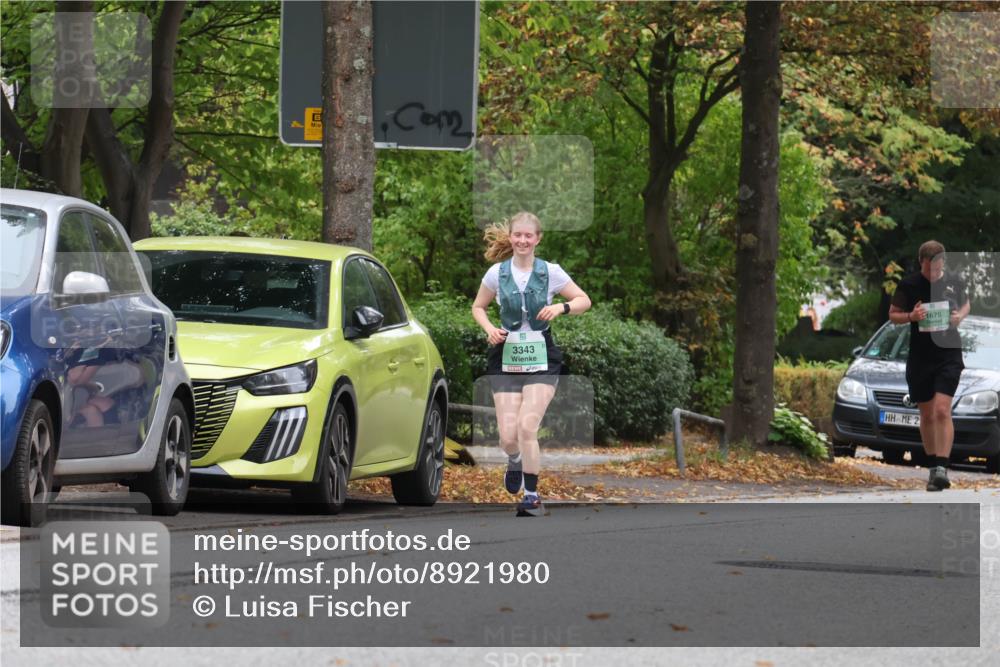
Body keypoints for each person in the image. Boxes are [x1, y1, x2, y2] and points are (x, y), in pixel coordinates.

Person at [471, 212, 591, 516]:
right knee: (508, 437)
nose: (523, 240)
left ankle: (532, 496)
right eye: (518, 235)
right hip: (505, 355)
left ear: (537, 239)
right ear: (511, 238)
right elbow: (478, 307)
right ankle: (514, 460)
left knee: (527, 427)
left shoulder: (551, 272)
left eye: (529, 236)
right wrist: (489, 329)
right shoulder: (496, 274)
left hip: (541, 356)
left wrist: (560, 307)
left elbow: (583, 300)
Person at [888, 240, 970, 491]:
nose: (932, 273)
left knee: (942, 410)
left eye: (936, 268)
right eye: (928, 268)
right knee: (926, 413)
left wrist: (959, 316)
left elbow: (967, 304)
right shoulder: (909, 285)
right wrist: (911, 317)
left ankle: (943, 467)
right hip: (921, 357)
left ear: (943, 262)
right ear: (921, 262)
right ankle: (933, 468)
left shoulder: (954, 281)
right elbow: (893, 315)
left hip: (949, 354)